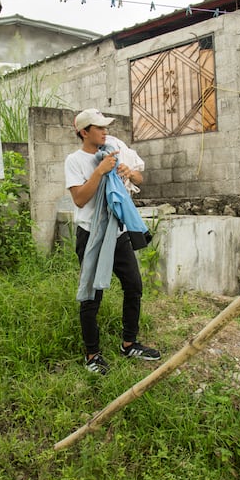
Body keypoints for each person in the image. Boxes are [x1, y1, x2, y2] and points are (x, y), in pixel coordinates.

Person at [64, 108, 161, 375]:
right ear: (84, 132)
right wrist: (99, 172)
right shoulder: (74, 160)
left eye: (106, 127)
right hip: (92, 235)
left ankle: (129, 343)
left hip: (118, 234)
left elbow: (140, 178)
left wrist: (128, 172)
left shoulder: (114, 149)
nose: (105, 131)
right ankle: (92, 354)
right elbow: (80, 199)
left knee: (134, 286)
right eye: (99, 127)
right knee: (92, 295)